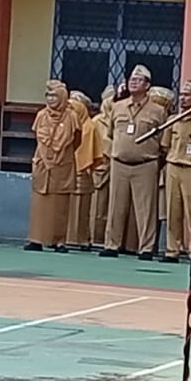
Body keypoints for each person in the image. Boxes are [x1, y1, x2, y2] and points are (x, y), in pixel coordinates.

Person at [101, 64, 164, 260]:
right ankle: (112, 244)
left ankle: (146, 248)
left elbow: (163, 140)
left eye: (138, 80)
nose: (133, 82)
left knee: (145, 209)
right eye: (131, 79)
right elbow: (111, 133)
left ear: (147, 85)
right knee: (115, 207)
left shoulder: (158, 111)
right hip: (119, 162)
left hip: (145, 164)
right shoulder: (118, 107)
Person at [160, 80, 191, 261]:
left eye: (187, 95)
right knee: (173, 210)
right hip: (173, 165)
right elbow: (165, 145)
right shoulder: (172, 120)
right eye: (181, 95)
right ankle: (172, 249)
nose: (183, 98)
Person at [26, 80, 77, 252]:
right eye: (48, 95)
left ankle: (59, 241)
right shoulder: (41, 115)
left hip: (63, 165)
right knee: (39, 203)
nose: (50, 99)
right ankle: (36, 239)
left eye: (54, 95)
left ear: (63, 97)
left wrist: (60, 154)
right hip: (42, 164)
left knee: (60, 206)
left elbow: (77, 141)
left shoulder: (71, 116)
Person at [65, 90, 99, 250]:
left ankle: (80, 239)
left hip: (82, 172)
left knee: (81, 209)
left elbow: (90, 152)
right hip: (66, 172)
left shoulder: (89, 127)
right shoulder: (67, 125)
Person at [90, 84, 116, 248]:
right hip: (101, 166)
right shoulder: (96, 122)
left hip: (118, 166)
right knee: (98, 206)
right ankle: (95, 238)